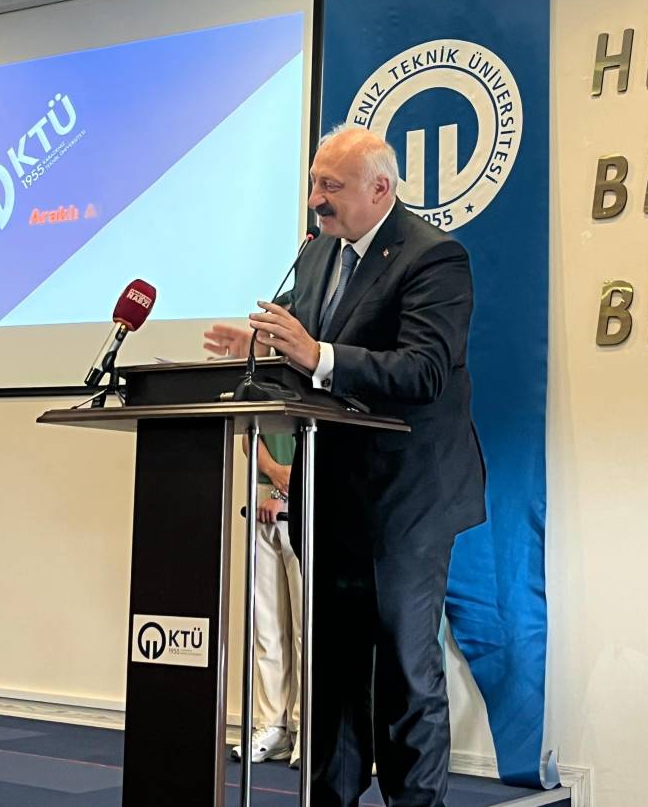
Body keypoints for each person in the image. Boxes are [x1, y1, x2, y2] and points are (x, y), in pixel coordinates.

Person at [204, 125, 486, 807]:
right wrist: (262, 347)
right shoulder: (317, 254)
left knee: (403, 665)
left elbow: (424, 371)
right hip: (328, 490)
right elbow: (304, 351)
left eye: (330, 186)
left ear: (380, 188)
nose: (315, 200)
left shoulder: (434, 258)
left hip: (407, 497)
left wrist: (316, 354)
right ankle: (330, 798)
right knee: (331, 666)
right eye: (313, 184)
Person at [230, 433, 303, 768]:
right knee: (266, 624)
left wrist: (283, 491)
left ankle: (305, 728)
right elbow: (249, 437)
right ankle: (272, 725)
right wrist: (273, 473)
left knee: (305, 627)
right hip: (261, 494)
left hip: (307, 493)